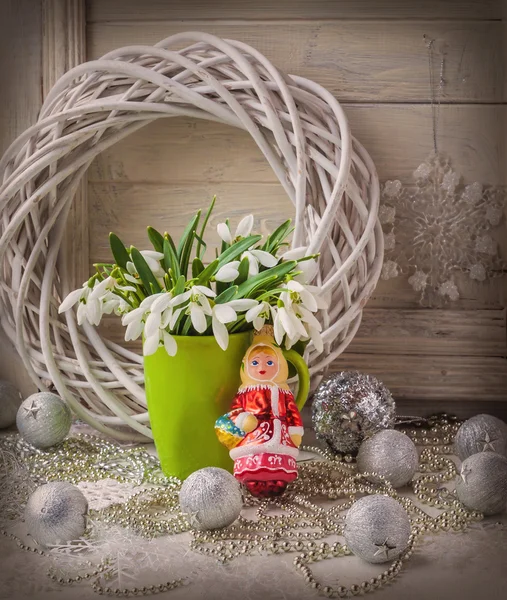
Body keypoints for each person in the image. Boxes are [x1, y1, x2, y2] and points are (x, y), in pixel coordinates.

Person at [215, 327, 304, 497]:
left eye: (269, 362)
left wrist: (295, 430)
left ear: (281, 365)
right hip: (254, 436)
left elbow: (292, 412)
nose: (262, 368)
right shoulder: (245, 392)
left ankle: (278, 480)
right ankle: (253, 480)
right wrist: (243, 419)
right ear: (246, 365)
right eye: (255, 363)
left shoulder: (284, 392)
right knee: (253, 462)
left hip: (281, 436)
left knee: (280, 462)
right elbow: (235, 410)